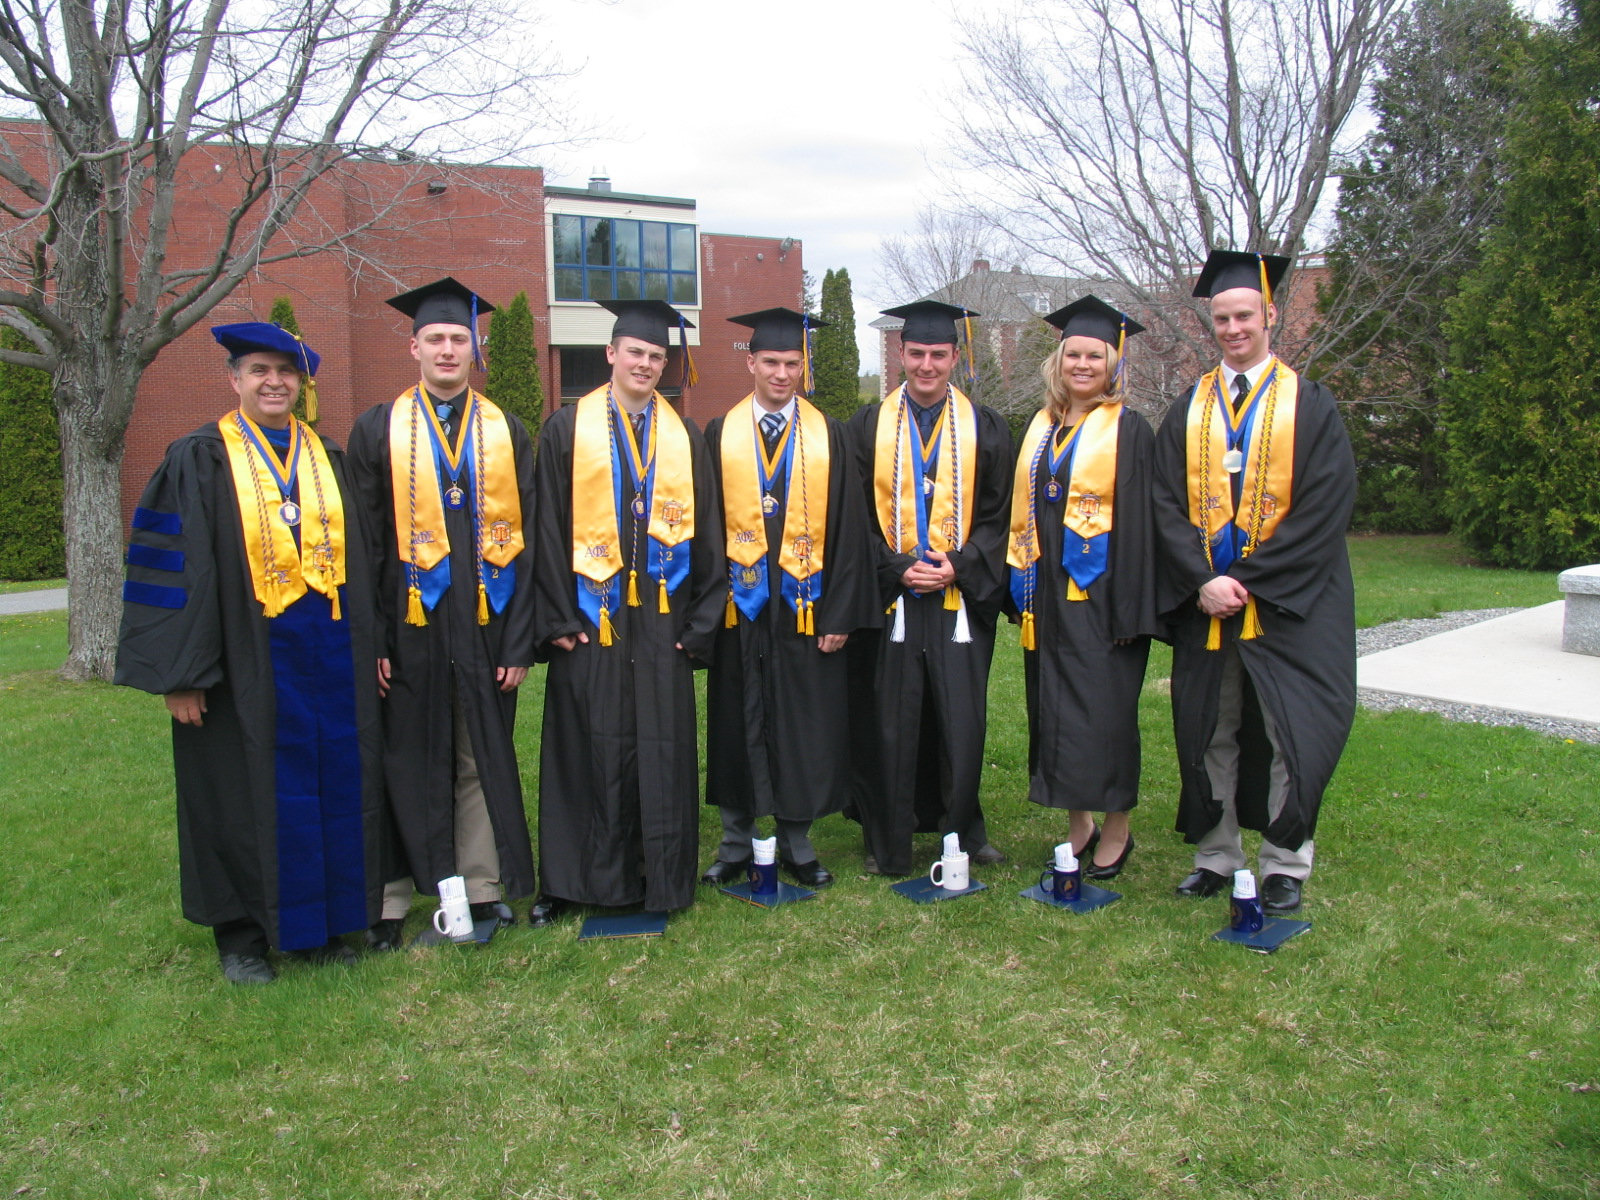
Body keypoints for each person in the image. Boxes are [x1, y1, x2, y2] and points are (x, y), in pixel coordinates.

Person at [116, 322, 387, 984]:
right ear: (233, 378)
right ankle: (240, 938)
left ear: (301, 384)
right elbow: (175, 572)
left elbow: (366, 563)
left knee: (330, 788)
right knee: (236, 794)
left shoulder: (327, 458)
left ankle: (318, 928)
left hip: (328, 665)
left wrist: (373, 648)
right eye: (260, 370)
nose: (274, 382)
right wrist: (182, 675)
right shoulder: (198, 459)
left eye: (286, 372)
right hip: (241, 668)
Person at [1152, 250, 1356, 913]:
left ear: (1270, 316)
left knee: (1291, 730)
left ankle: (1285, 863)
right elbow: (1163, 506)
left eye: (1245, 316)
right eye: (1222, 318)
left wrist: (1248, 580)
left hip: (1291, 605)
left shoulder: (1312, 406)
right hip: (1208, 605)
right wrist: (1202, 580)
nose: (1234, 328)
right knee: (1209, 725)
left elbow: (1325, 509)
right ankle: (1215, 856)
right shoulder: (1188, 410)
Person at [345, 277, 538, 946]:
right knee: (402, 756)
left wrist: (519, 643)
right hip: (410, 630)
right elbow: (363, 546)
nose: (449, 350)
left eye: (460, 338)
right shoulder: (377, 430)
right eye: (437, 339)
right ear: (414, 347)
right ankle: (394, 897)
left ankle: (482, 889)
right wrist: (370, 641)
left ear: (473, 346)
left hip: (487, 628)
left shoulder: (505, 430)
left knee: (480, 754)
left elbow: (528, 544)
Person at [529, 299, 727, 922]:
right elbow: (545, 530)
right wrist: (558, 618)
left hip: (663, 622)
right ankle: (573, 882)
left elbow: (713, 534)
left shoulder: (684, 436)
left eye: (656, 356)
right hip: (594, 618)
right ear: (611, 354)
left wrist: (699, 629)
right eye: (635, 352)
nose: (644, 364)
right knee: (584, 745)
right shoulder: (567, 428)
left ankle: (658, 880)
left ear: (667, 366)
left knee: (661, 748)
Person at [699, 308, 877, 889]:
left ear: (804, 367)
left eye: (792, 364)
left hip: (807, 604)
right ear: (750, 362)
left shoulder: (831, 434)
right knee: (736, 719)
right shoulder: (718, 433)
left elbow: (852, 530)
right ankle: (734, 841)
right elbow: (702, 530)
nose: (782, 374)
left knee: (805, 721)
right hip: (739, 606)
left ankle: (798, 842)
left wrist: (841, 613)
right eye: (771, 362)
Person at [846, 300, 1013, 877]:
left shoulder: (985, 427)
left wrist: (961, 566)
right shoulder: (866, 427)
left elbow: (999, 516)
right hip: (892, 598)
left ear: (955, 357)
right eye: (915, 353)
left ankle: (963, 828)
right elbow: (853, 519)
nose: (925, 365)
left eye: (937, 354)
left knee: (959, 716)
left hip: (957, 599)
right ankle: (884, 835)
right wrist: (893, 567)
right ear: (900, 354)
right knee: (888, 717)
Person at [1007, 296, 1158, 879]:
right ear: (1058, 360)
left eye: (1096, 355)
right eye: (1074, 353)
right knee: (1055, 710)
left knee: (1107, 713)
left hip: (1104, 599)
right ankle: (1079, 825)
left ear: (1114, 365)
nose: (1083, 364)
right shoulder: (1043, 428)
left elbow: (1144, 525)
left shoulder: (1130, 430)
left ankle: (1117, 827)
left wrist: (1131, 609)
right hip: (1047, 596)